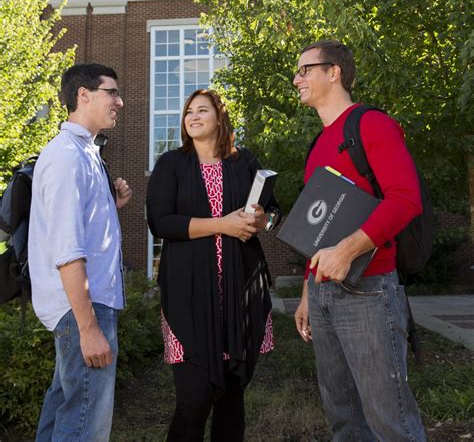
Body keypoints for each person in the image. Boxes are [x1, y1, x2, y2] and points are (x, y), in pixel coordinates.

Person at [293, 40, 426, 441]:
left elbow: (406, 200)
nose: (296, 79)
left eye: (304, 70)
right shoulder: (318, 145)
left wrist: (348, 250)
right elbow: (315, 231)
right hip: (322, 293)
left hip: (368, 292)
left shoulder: (371, 125)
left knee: (391, 421)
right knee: (345, 420)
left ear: (333, 72)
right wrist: (305, 291)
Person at [147, 88, 280, 442]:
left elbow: (274, 214)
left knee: (232, 402)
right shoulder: (171, 164)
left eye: (202, 110)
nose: (193, 116)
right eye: (189, 111)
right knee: (193, 403)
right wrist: (222, 224)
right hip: (188, 297)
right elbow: (160, 223)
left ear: (220, 117)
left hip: (240, 296)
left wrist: (262, 220)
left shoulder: (245, 162)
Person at [28, 63, 132, 442]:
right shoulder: (67, 156)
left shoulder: (85, 152)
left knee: (64, 416)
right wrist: (89, 329)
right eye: (112, 92)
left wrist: (111, 206)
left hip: (85, 309)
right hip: (83, 310)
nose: (120, 101)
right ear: (83, 95)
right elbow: (67, 250)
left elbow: (80, 230)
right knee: (84, 428)